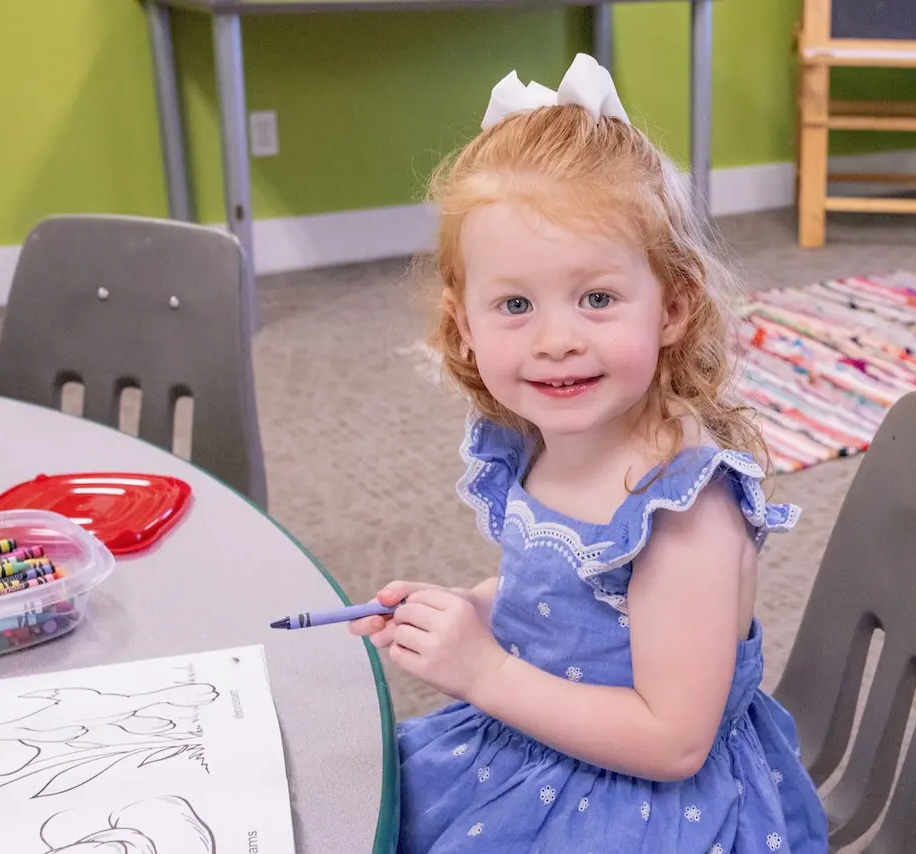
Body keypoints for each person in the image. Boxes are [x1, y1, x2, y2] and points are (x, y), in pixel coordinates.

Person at [349, 53, 829, 854]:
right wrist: (475, 607)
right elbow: (568, 590)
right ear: (462, 322)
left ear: (674, 307)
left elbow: (675, 742)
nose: (557, 340)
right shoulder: (545, 435)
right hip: (544, 741)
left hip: (649, 801)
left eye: (597, 298)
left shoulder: (680, 508)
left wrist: (486, 673)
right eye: (513, 305)